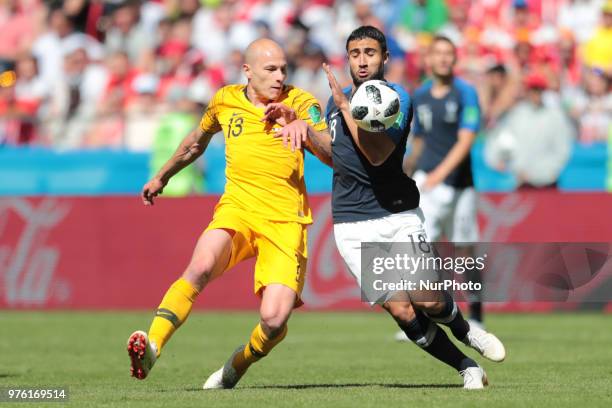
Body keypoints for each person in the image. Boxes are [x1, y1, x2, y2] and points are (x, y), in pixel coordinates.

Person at [271, 26, 505, 389]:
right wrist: (303, 131)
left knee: (429, 300)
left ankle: (465, 329)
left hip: (397, 215)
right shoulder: (337, 102)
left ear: (384, 58)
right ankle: (465, 366)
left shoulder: (396, 98)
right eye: (354, 53)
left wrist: (348, 107)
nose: (362, 60)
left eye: (369, 52)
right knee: (402, 309)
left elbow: (377, 156)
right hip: (353, 223)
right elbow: (337, 157)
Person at [126, 38, 328, 389]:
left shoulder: (303, 103)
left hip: (285, 222)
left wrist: (304, 129)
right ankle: (153, 346)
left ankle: (237, 364)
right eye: (270, 69)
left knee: (275, 319)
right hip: (238, 209)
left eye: (283, 68)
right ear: (247, 71)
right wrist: (162, 175)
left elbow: (333, 156)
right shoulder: (225, 100)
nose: (280, 76)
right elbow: (195, 142)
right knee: (201, 265)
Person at [401, 35, 484, 333]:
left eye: (449, 53)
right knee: (421, 246)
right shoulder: (420, 95)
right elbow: (420, 139)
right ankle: (423, 314)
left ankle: (475, 313)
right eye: (438, 53)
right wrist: (407, 169)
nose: (444, 59)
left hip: (460, 185)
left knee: (465, 250)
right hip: (428, 184)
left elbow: (466, 140)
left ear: (455, 58)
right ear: (429, 59)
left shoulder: (465, 93)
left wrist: (440, 173)